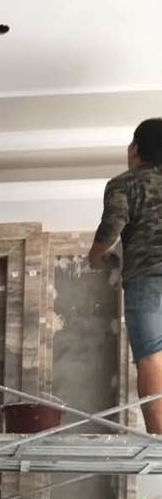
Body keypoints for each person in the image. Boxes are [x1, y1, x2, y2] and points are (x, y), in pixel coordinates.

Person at [89, 117, 162, 433]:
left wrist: (95, 257)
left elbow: (112, 226)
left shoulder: (125, 184)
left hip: (147, 277)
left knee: (151, 356)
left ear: (135, 149)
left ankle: (159, 442)